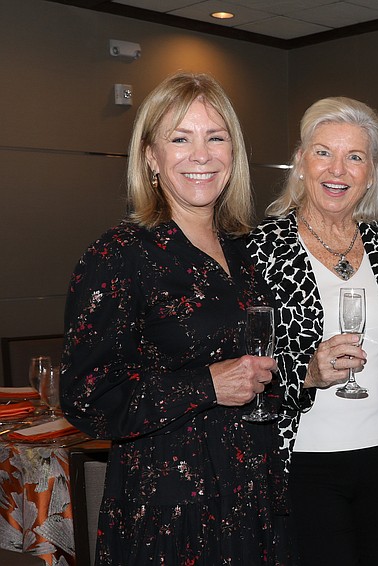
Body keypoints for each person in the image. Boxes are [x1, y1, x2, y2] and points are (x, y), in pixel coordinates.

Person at [60, 72, 287, 564]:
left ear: (234, 152)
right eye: (180, 138)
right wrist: (205, 386)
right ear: (150, 157)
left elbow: (249, 371)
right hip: (170, 511)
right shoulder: (119, 254)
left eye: (215, 137)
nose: (200, 154)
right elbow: (88, 399)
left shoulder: (242, 251)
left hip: (249, 494)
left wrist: (303, 375)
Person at [248, 97, 378, 566]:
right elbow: (237, 365)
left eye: (355, 156)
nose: (337, 169)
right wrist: (305, 374)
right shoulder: (259, 249)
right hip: (300, 462)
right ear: (300, 161)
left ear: (371, 172)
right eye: (323, 152)